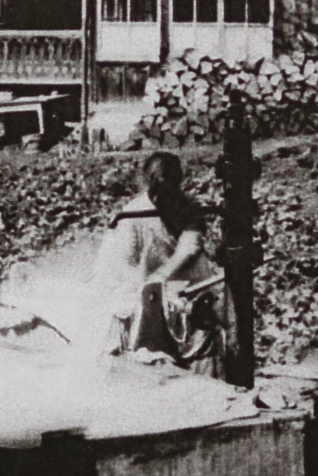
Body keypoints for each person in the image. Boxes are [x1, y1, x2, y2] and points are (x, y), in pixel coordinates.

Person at [92, 151, 227, 375]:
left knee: (203, 335)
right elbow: (123, 264)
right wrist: (150, 287)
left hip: (185, 288)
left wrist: (162, 278)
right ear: (149, 184)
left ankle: (211, 387)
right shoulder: (132, 215)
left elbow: (190, 247)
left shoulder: (187, 207)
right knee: (143, 347)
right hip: (139, 292)